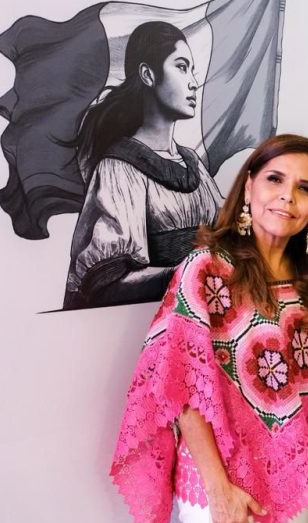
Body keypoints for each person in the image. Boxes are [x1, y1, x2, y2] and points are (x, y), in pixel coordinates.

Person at [109, 134, 308, 523]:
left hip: (295, 483)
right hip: (230, 486)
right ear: (249, 186)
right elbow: (182, 386)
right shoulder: (208, 269)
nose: (287, 196)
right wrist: (220, 492)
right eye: (275, 179)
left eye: (305, 188)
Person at [64, 21, 223, 310]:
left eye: (192, 70)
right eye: (182, 67)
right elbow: (106, 284)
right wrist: (193, 273)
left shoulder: (194, 165)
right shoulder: (119, 168)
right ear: (148, 75)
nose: (193, 82)